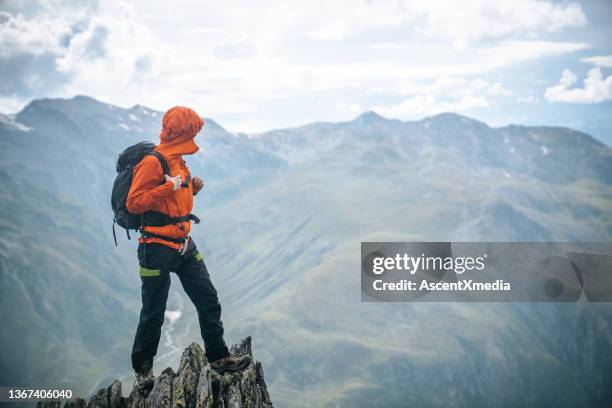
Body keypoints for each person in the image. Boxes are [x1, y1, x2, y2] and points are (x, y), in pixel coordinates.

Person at [126, 106, 250, 394]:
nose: (195, 136)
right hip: (155, 247)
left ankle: (219, 358)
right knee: (154, 312)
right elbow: (135, 203)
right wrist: (169, 188)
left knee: (208, 298)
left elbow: (174, 201)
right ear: (182, 132)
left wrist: (190, 188)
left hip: (183, 244)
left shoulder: (179, 161)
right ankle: (143, 372)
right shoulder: (152, 163)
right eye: (192, 131)